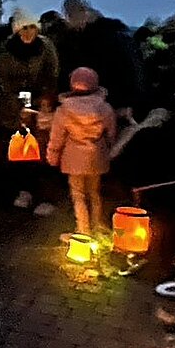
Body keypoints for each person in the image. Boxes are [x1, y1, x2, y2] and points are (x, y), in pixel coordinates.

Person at [0, 10, 59, 212]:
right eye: (24, 28)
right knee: (21, 150)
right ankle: (24, 191)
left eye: (32, 27)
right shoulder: (7, 50)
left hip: (42, 102)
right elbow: (4, 81)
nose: (28, 32)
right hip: (17, 104)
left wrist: (46, 101)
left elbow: (53, 74)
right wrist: (22, 105)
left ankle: (46, 196)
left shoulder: (46, 47)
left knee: (43, 150)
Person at [46, 66, 117, 235]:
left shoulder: (64, 110)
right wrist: (109, 148)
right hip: (97, 155)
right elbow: (111, 133)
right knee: (94, 192)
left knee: (78, 195)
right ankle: (97, 225)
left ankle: (83, 230)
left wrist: (52, 156)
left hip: (74, 157)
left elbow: (57, 137)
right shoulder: (105, 108)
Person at [59, 0, 142, 116]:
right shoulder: (113, 33)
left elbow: (130, 71)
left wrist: (125, 104)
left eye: (69, 15)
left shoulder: (107, 38)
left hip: (112, 108)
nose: (68, 21)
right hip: (100, 106)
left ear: (83, 11)